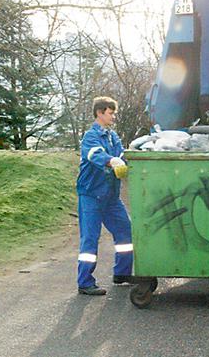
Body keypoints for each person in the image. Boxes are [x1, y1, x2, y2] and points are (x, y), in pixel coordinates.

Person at [76, 96, 133, 295]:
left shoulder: (112, 136)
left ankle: (122, 274)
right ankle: (85, 282)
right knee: (90, 238)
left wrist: (132, 156)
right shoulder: (91, 136)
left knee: (126, 232)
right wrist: (111, 161)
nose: (113, 117)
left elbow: (122, 154)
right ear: (100, 113)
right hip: (91, 195)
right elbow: (94, 155)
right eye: (111, 113)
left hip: (110, 197)